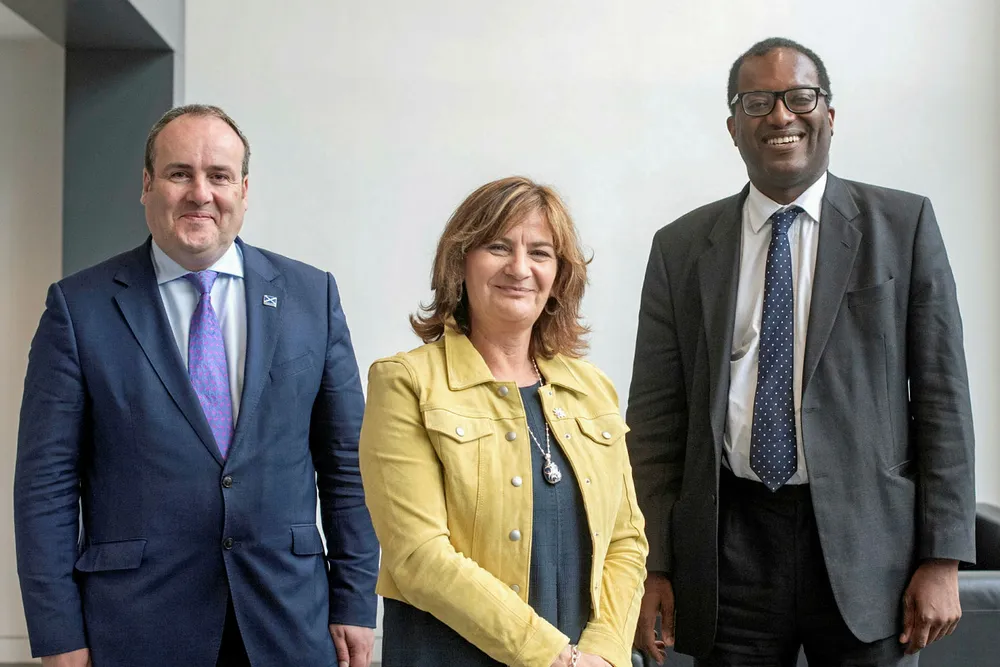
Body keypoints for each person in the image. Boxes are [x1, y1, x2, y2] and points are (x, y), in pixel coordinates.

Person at [627, 38, 976, 666]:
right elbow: (655, 421)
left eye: (800, 97)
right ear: (733, 127)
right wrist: (653, 563)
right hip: (729, 548)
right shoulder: (680, 248)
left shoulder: (903, 226)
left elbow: (942, 399)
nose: (781, 115)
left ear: (830, 115)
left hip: (871, 551)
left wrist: (942, 558)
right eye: (758, 102)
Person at [14, 104, 379, 667]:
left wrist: (356, 600)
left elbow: (347, 465)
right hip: (136, 628)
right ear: (147, 184)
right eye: (180, 173)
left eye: (219, 176)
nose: (200, 194)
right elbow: (46, 485)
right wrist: (58, 632)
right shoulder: (79, 308)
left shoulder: (312, 297)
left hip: (288, 621)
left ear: (244, 191)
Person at [359, 176, 648, 667]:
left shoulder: (592, 388)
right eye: (497, 247)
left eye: (540, 253)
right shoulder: (405, 382)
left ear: (559, 276)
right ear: (460, 262)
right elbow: (417, 555)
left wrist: (603, 652)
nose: (519, 268)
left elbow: (626, 541)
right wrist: (553, 657)